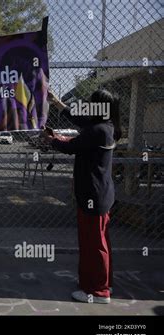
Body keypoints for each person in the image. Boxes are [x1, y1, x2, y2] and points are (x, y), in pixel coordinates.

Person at [44, 89, 121, 304]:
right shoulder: (106, 126)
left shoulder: (97, 130)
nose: (87, 105)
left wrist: (52, 139)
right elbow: (80, 123)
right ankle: (102, 283)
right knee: (99, 242)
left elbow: (71, 147)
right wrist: (57, 102)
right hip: (100, 195)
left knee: (93, 245)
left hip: (93, 195)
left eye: (91, 103)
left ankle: (98, 292)